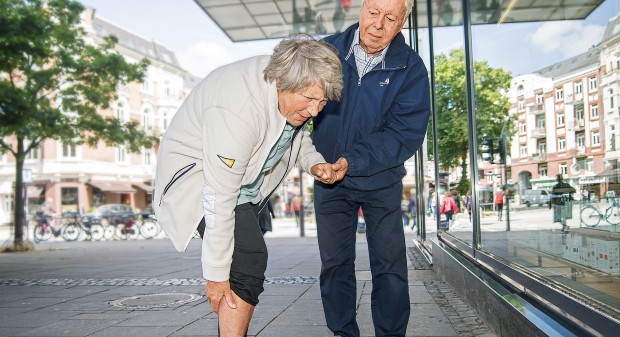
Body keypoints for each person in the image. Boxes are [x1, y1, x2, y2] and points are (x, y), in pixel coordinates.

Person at [152, 35, 344, 337]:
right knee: (248, 258)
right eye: (309, 99)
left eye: (322, 101)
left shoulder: (292, 95)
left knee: (245, 264)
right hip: (199, 180)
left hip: (244, 186)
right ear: (282, 80)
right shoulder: (238, 106)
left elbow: (295, 137)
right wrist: (215, 275)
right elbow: (218, 196)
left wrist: (315, 163)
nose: (316, 111)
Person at [311, 0, 431, 335]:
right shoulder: (326, 52)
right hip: (328, 181)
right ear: (362, 9)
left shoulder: (411, 68)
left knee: (390, 267)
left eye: (390, 18)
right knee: (334, 266)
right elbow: (298, 104)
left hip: (381, 182)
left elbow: (403, 134)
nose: (378, 24)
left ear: (401, 23)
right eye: (373, 12)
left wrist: (351, 162)